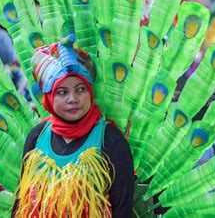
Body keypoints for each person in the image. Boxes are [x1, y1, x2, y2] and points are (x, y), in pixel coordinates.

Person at [13, 36, 134, 217]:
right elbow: (21, 204)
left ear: (90, 92)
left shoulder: (110, 141)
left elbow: (122, 210)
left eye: (80, 89)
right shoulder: (37, 137)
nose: (73, 99)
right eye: (62, 92)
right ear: (49, 97)